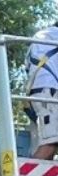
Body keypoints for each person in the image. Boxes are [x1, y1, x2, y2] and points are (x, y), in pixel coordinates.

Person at [26, 21, 58, 160]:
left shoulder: (43, 36)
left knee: (47, 143)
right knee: (50, 145)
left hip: (37, 94)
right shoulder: (53, 35)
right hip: (48, 93)